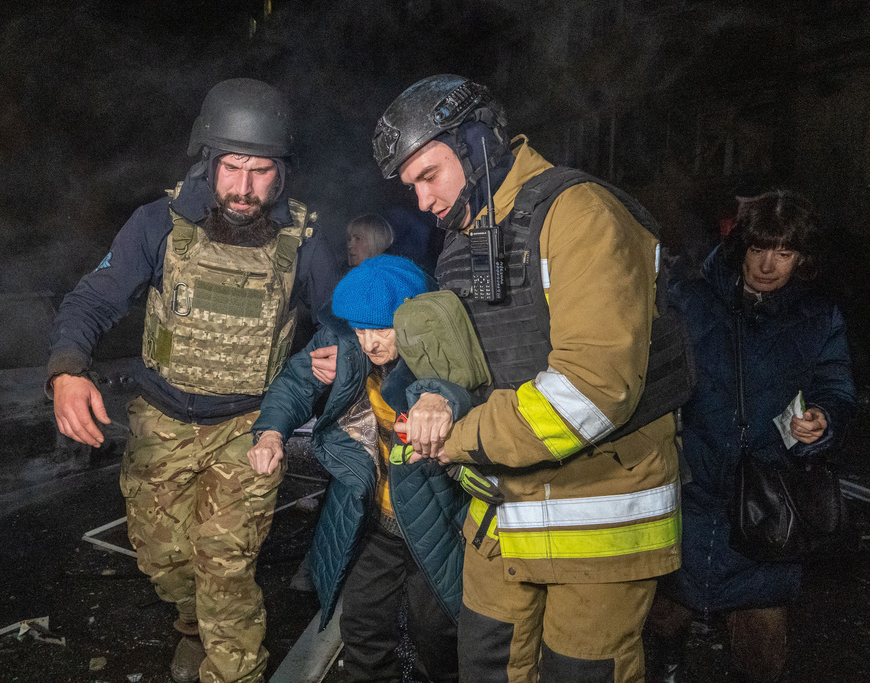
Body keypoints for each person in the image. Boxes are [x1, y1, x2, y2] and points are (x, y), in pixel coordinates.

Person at [316, 74, 683, 682]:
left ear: (478, 143)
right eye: (411, 187)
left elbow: (590, 394)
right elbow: (460, 362)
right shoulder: (464, 240)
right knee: (484, 667)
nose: (422, 202)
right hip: (500, 518)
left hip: (595, 524)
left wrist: (455, 436)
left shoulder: (579, 215)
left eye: (428, 176)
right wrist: (424, 391)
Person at [47, 78, 337, 683]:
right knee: (164, 561)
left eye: (261, 172)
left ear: (281, 173)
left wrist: (327, 364)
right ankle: (190, 625)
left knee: (225, 569)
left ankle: (232, 669)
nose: (244, 188)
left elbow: (337, 321)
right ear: (208, 162)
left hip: (250, 427)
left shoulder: (304, 242)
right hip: (161, 420)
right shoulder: (157, 223)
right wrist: (68, 371)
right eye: (233, 168)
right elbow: (92, 300)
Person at [646, 191, 856, 683]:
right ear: (741, 244)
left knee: (762, 645)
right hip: (688, 488)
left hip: (769, 501)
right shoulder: (691, 296)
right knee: (661, 614)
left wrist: (824, 418)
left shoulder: (819, 316)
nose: (768, 264)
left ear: (801, 258)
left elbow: (836, 385)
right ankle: (668, 665)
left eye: (784, 253)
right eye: (759, 247)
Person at [248, 255, 471, 682]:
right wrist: (272, 433)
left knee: (439, 634)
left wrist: (442, 398)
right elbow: (295, 382)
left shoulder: (449, 348)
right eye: (360, 328)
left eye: (382, 328)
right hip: (375, 524)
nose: (370, 343)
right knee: (362, 628)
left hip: (438, 523)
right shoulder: (345, 346)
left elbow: (472, 391)